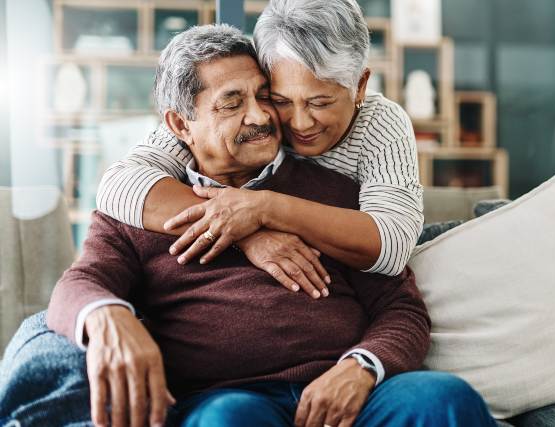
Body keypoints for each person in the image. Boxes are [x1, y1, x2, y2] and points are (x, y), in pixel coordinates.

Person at [21, 25, 497, 427]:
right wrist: (108, 318)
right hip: (227, 398)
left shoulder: (331, 191)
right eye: (231, 103)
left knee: (444, 400)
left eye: (263, 96)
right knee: (228, 419)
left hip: (350, 395)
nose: (261, 116)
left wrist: (362, 367)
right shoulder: (138, 207)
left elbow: (402, 310)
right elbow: (79, 283)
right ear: (180, 125)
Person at [96, 0, 423, 299]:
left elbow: (392, 247)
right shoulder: (254, 117)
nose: (299, 123)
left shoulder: (380, 124)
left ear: (360, 86)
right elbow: (117, 185)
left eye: (320, 102)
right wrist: (244, 231)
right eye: (280, 100)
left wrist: (264, 209)